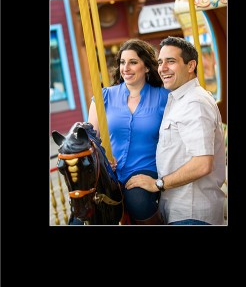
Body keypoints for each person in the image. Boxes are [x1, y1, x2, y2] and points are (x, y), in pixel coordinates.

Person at [125, 36, 226, 225]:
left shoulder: (194, 103)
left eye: (171, 61)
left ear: (190, 66)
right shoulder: (179, 100)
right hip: (180, 212)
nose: (162, 68)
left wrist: (157, 184)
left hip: (192, 213)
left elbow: (203, 163)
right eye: (160, 62)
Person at [86, 39, 168, 225]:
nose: (126, 68)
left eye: (133, 62)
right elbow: (91, 139)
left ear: (147, 67)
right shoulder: (103, 97)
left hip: (146, 167)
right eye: (123, 62)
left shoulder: (164, 96)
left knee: (136, 199)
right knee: (82, 212)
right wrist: (103, 159)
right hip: (109, 172)